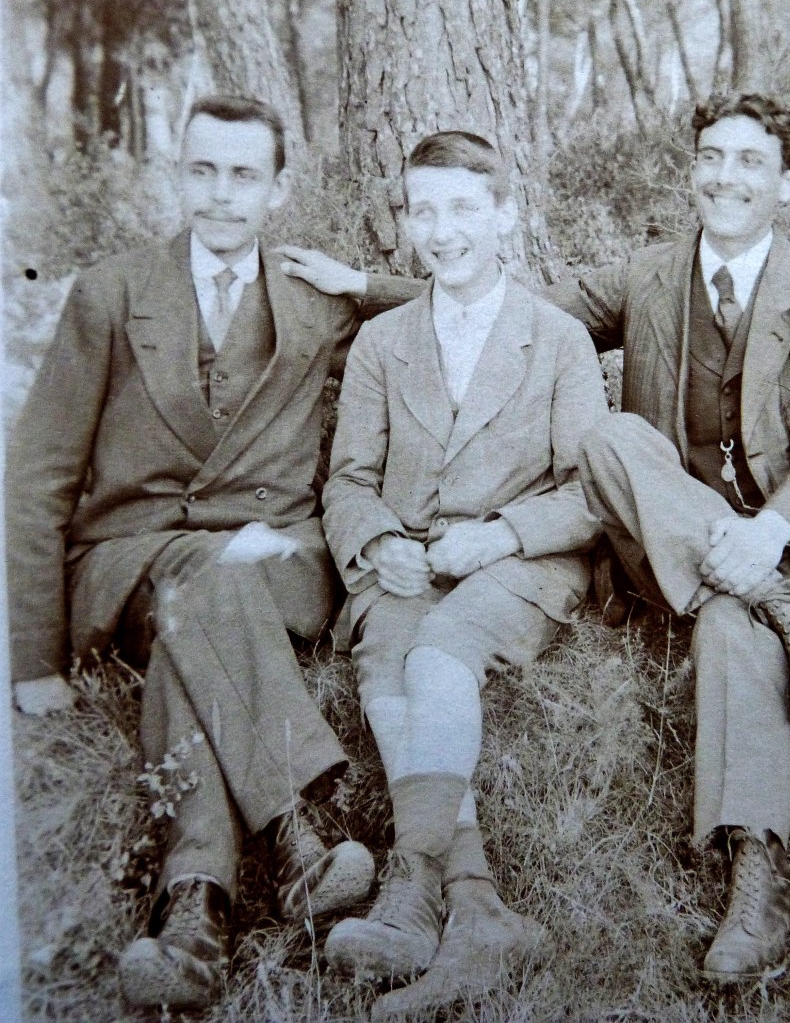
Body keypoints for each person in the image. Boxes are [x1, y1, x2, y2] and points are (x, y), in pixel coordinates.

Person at [7, 94, 412, 1011]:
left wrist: (361, 282)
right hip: (134, 561)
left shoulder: (313, 299)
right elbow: (35, 477)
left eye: (243, 175)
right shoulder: (111, 292)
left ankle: (195, 908)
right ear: (178, 175)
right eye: (203, 171)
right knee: (198, 583)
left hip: (279, 559)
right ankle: (296, 831)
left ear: (277, 190)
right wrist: (32, 659)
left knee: (200, 606)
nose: (222, 194)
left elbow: (460, 305)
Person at [549, 92, 790, 982]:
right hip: (676, 538)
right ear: (692, 170)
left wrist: (770, 531)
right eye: (711, 156)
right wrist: (367, 291)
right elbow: (517, 313)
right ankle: (789, 615)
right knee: (610, 439)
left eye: (750, 161)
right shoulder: (649, 276)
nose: (725, 177)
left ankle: (755, 873)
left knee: (729, 624)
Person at [318, 130, 609, 1015]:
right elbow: (348, 480)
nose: (442, 233)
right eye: (424, 212)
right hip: (408, 562)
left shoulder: (557, 340)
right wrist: (379, 542)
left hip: (521, 563)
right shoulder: (382, 342)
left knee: (440, 652)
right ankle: (476, 909)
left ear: (505, 215)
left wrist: (501, 536)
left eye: (463, 210)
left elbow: (590, 494)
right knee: (389, 656)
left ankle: (411, 883)